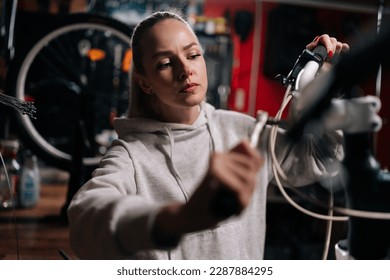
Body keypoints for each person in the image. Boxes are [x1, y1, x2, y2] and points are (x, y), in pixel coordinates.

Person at [67, 10, 349, 260]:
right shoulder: (131, 156)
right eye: (165, 63)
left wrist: (326, 88)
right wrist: (179, 219)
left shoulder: (245, 132)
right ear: (144, 82)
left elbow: (322, 160)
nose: (185, 70)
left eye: (192, 55)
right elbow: (86, 221)